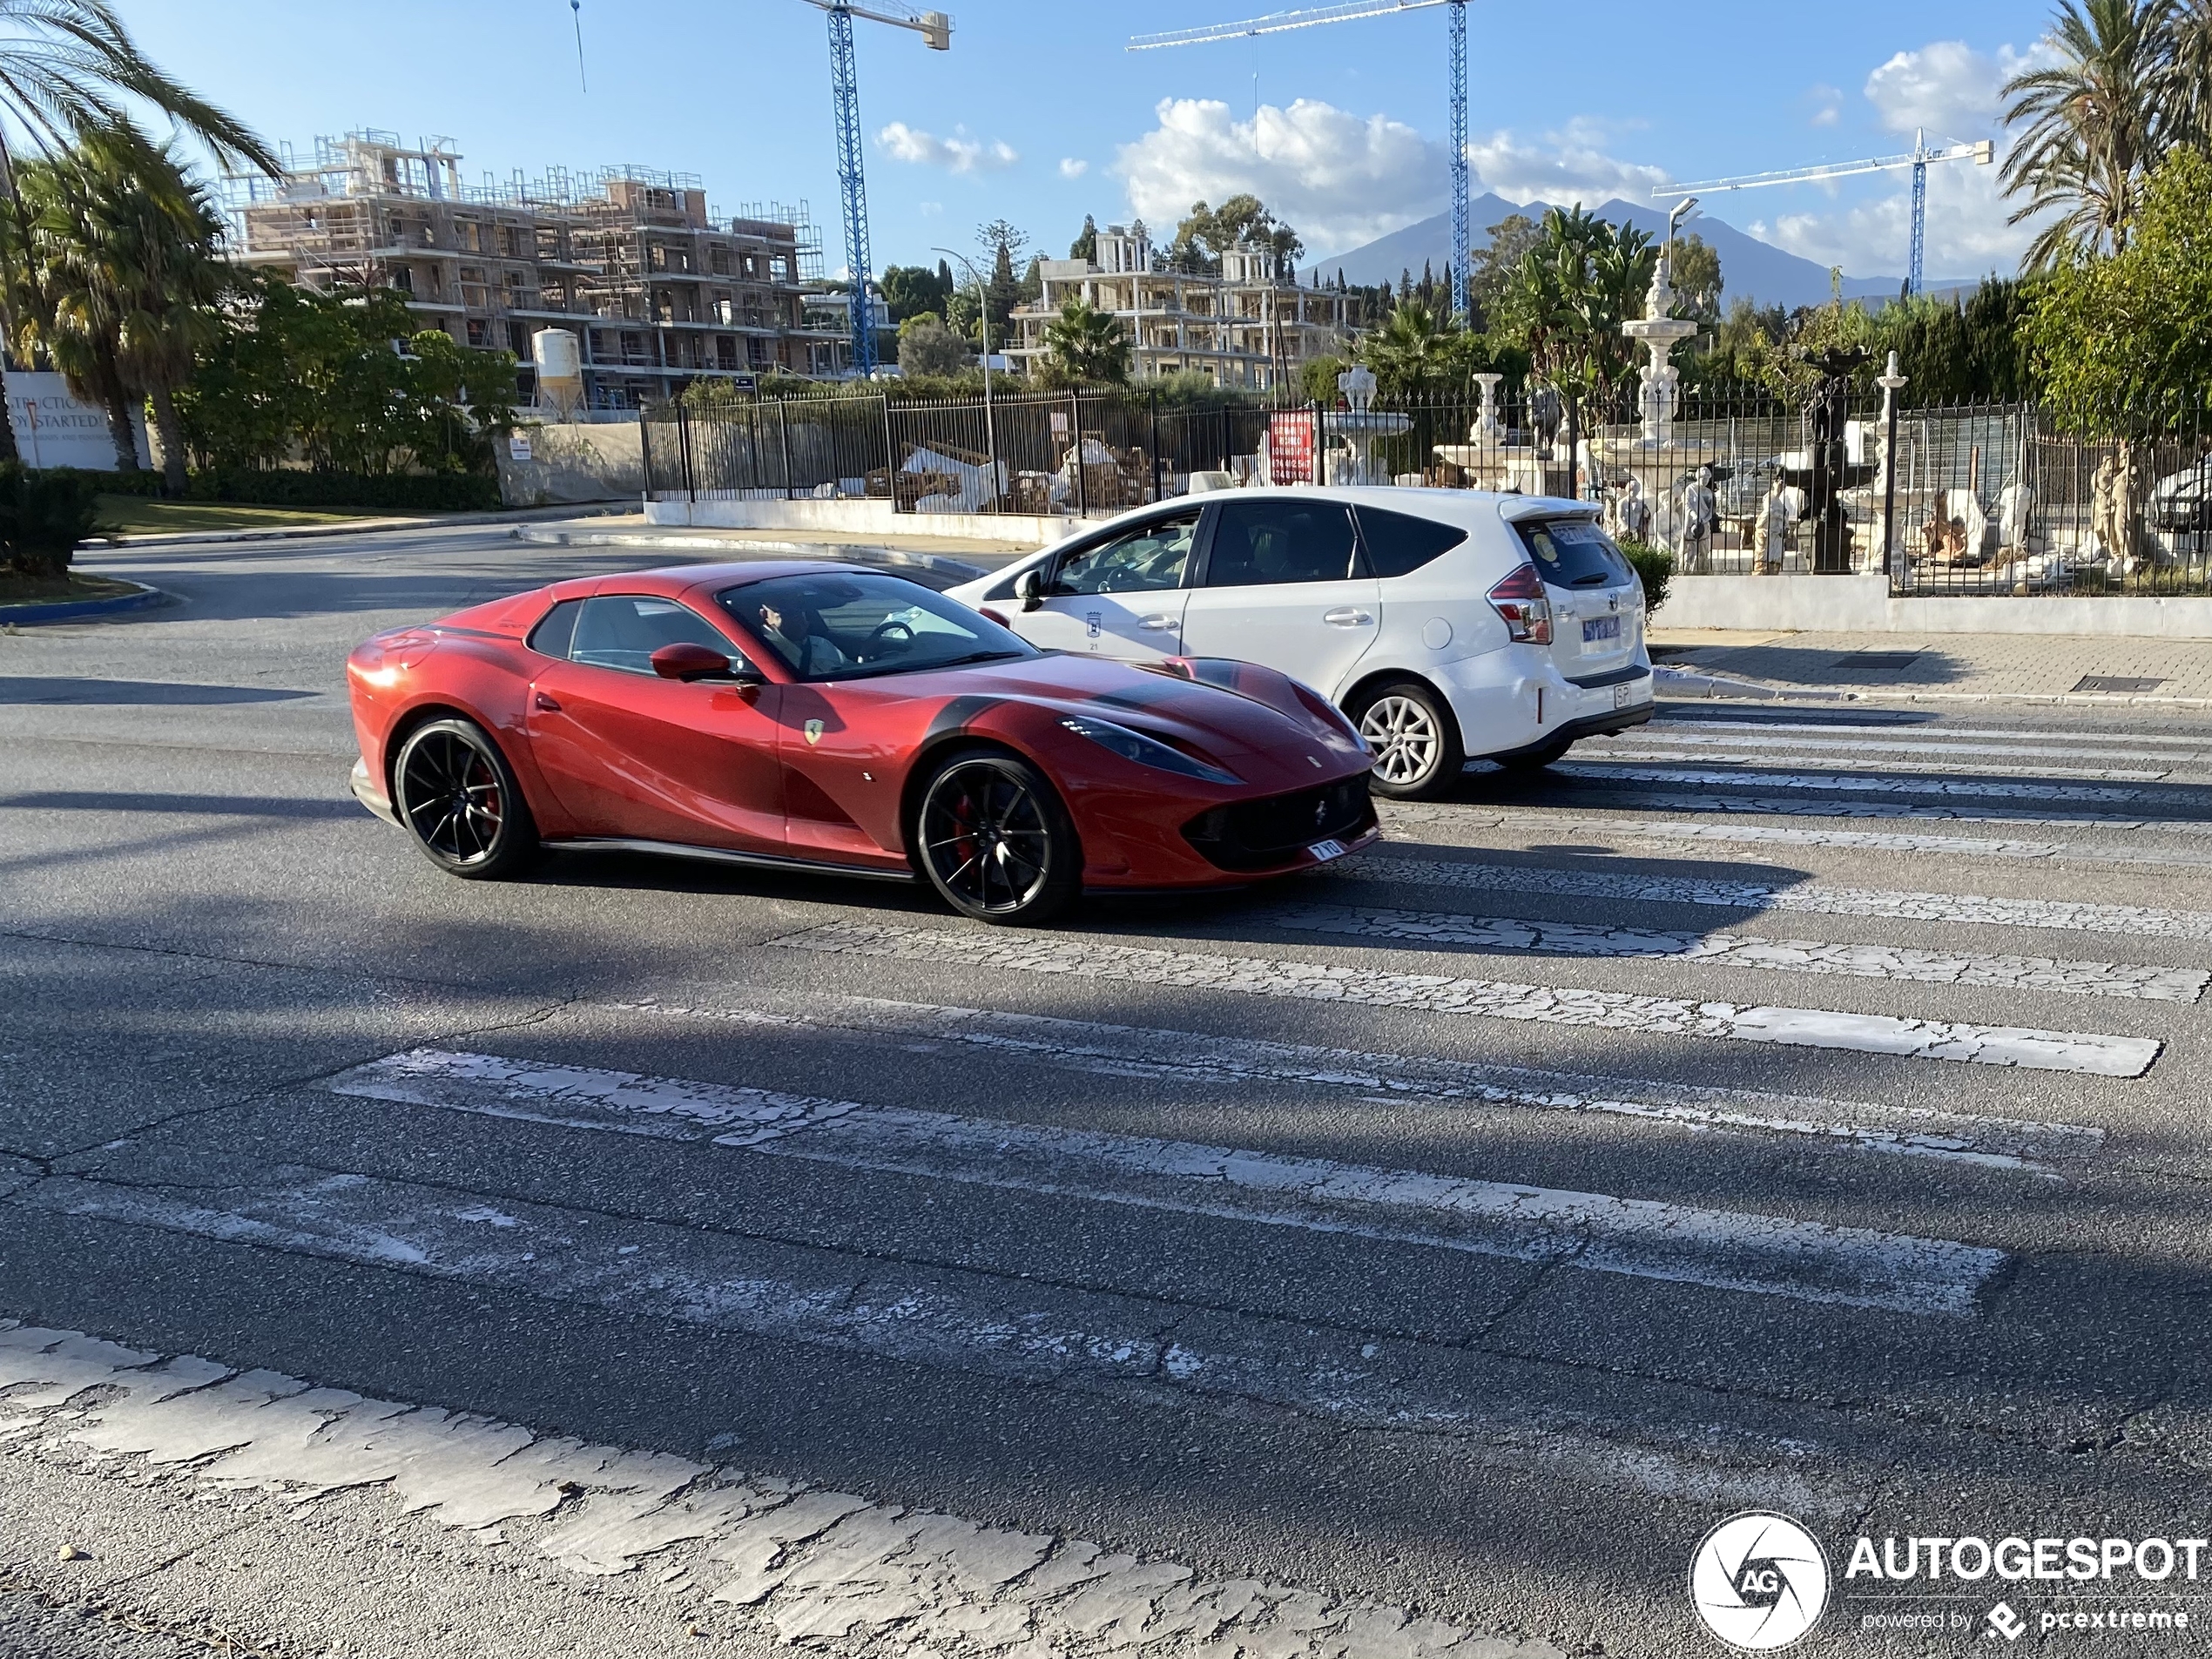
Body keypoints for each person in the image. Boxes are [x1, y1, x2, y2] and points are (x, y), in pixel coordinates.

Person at [752, 597, 850, 678]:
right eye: (787, 614)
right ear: (765, 615)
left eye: (800, 613)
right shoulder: (761, 649)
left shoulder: (821, 643)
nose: (798, 619)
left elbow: (848, 668)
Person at [1679, 465, 1717, 575]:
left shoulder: (1709, 492)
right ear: (1697, 477)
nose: (1705, 481)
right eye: (1703, 478)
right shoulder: (1690, 489)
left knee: (1703, 547)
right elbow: (1687, 505)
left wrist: (1705, 520)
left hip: (1704, 523)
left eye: (1707, 479)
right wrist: (1695, 516)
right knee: (1690, 547)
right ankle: (1686, 569)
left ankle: (1702, 569)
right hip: (1691, 522)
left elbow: (1711, 510)